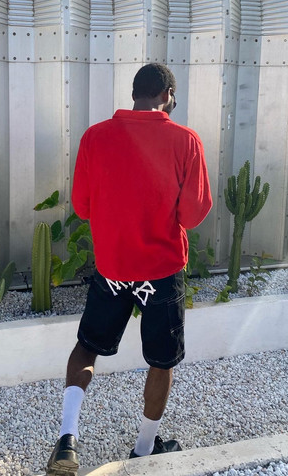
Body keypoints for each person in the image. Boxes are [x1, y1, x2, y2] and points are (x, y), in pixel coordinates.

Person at [45, 63, 213, 476]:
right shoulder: (186, 140)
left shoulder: (95, 137)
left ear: (135, 93)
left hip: (112, 267)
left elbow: (82, 206)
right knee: (161, 361)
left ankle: (67, 440)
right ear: (168, 95)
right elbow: (192, 216)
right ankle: (143, 449)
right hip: (161, 271)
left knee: (87, 347)